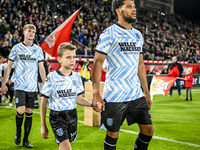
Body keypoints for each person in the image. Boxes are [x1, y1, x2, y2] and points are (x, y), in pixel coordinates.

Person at [92, 1, 154, 150]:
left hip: (135, 93)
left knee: (148, 130)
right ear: (119, 11)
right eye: (129, 6)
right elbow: (98, 62)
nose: (134, 9)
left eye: (134, 6)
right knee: (113, 135)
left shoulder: (137, 35)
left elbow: (140, 64)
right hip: (115, 95)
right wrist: (96, 93)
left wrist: (146, 91)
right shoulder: (109, 34)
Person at [40, 42, 95, 150]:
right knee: (67, 147)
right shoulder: (52, 77)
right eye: (68, 57)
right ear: (59, 59)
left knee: (65, 145)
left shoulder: (76, 77)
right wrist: (43, 125)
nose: (72, 60)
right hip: (57, 117)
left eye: (74, 57)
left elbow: (79, 99)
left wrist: (92, 104)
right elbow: (43, 101)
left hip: (72, 115)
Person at [1, 24, 46, 148]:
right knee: (20, 110)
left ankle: (26, 140)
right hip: (20, 85)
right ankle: (18, 132)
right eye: (29, 31)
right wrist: (4, 84)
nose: (31, 33)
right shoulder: (16, 48)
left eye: (33, 32)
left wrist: (45, 83)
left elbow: (41, 68)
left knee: (29, 111)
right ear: (24, 32)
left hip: (32, 86)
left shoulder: (38, 50)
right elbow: (9, 66)